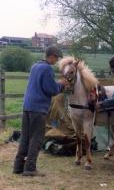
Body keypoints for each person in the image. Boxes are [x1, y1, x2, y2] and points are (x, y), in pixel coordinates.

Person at [13, 46, 68, 177]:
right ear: (52, 56)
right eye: (57, 58)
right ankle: (30, 169)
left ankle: (18, 166)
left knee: (25, 137)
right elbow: (51, 89)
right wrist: (61, 84)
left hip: (27, 106)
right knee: (36, 138)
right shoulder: (47, 68)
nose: (56, 61)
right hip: (38, 108)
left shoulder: (35, 66)